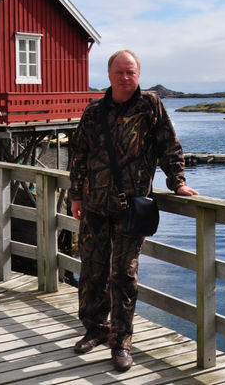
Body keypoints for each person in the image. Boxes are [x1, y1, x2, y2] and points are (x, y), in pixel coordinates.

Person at [68, 49, 199, 372]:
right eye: (119, 73)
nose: (125, 78)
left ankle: (121, 341)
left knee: (123, 275)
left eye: (131, 72)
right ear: (109, 75)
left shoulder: (150, 106)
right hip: (95, 205)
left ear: (138, 74)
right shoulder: (94, 110)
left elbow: (169, 145)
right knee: (92, 272)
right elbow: (80, 155)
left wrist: (177, 182)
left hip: (131, 209)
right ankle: (94, 329)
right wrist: (76, 196)